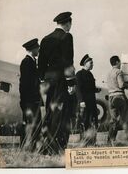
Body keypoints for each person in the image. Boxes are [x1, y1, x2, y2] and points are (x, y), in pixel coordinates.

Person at [37, 11, 76, 155]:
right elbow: (68, 61)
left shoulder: (46, 39)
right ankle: (57, 148)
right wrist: (71, 82)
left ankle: (45, 147)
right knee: (61, 112)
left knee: (49, 111)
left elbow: (41, 63)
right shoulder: (67, 36)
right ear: (67, 23)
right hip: (61, 80)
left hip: (48, 81)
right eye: (70, 24)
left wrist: (43, 78)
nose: (70, 27)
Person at [106, 56, 128, 146]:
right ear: (117, 62)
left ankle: (110, 140)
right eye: (119, 62)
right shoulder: (118, 72)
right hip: (119, 96)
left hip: (111, 98)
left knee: (114, 120)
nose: (120, 64)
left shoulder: (109, 73)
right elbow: (121, 85)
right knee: (127, 118)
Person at [19, 38, 42, 151]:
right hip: (30, 101)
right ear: (32, 48)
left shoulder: (31, 61)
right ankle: (27, 148)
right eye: (37, 47)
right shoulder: (27, 62)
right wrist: (26, 102)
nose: (39, 49)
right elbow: (25, 84)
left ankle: (30, 148)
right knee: (30, 124)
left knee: (34, 124)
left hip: (32, 100)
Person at [76, 54, 100, 146]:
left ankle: (93, 143)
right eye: (91, 63)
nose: (92, 64)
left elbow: (91, 88)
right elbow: (78, 89)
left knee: (93, 121)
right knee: (84, 122)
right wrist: (81, 101)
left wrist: (96, 90)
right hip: (84, 103)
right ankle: (84, 143)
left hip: (92, 102)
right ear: (85, 64)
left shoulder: (90, 74)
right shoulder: (79, 74)